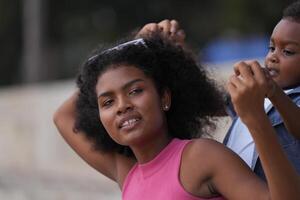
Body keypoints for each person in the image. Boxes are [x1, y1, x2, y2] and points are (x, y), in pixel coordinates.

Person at [53, 33, 300, 199]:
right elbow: (63, 117)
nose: (122, 106)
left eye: (135, 91)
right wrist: (135, 43)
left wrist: (255, 119)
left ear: (164, 98)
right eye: (107, 102)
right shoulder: (127, 174)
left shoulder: (200, 157)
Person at [138, 0, 300, 181]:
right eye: (271, 48)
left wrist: (274, 93)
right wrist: (174, 53)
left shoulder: (281, 97)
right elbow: (206, 101)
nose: (272, 57)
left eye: (287, 51)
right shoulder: (260, 93)